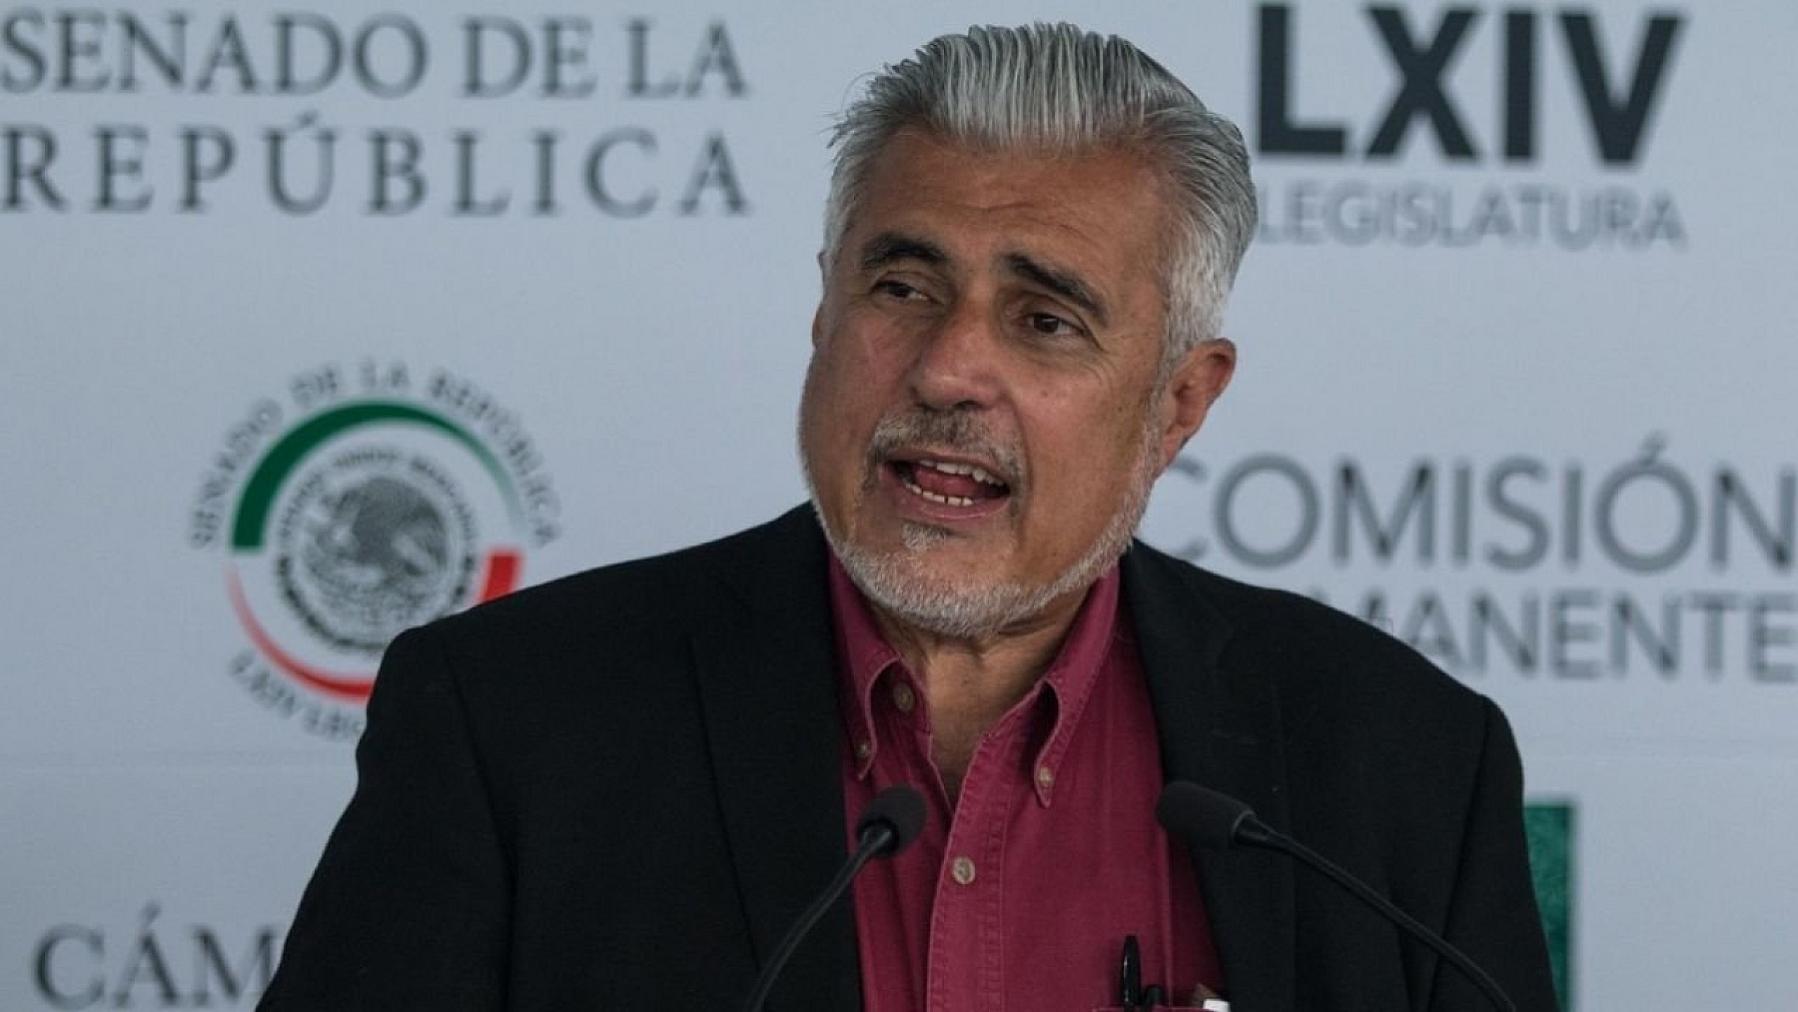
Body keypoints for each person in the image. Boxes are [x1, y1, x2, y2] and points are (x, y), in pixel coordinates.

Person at [259, 23, 1558, 1012]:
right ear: (824, 311)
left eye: (1044, 319)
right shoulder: (512, 722)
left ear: (1177, 403)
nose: (946, 370)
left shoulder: (1399, 767)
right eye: (901, 287)